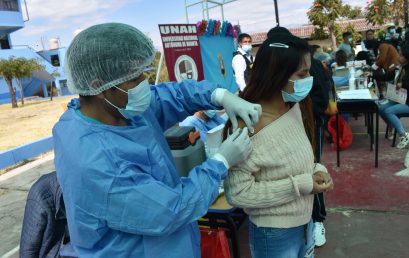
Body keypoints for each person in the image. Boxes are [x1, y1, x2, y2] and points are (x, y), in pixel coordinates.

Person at [53, 22, 263, 258]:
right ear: (98, 87)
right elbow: (171, 210)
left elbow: (172, 95)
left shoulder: (121, 108)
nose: (144, 82)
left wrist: (219, 95)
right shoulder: (94, 160)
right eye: (133, 78)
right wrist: (220, 163)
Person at [223, 32, 334, 258]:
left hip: (305, 222)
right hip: (274, 233)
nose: (308, 80)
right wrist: (303, 184)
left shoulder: (294, 106)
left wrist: (316, 170)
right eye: (302, 74)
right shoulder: (247, 126)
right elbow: (238, 193)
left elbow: (299, 157)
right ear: (278, 75)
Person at [379, 42, 409, 149]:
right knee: (381, 108)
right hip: (400, 98)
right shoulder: (400, 67)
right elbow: (386, 76)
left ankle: (404, 135)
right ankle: (392, 124)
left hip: (407, 102)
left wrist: (403, 84)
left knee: (389, 111)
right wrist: (372, 74)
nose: (398, 56)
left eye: (401, 55)